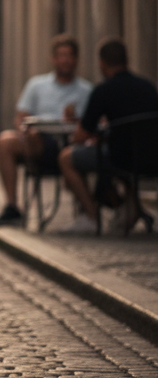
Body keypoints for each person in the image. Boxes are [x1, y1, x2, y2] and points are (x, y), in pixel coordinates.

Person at [57, 38, 158, 233]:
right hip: (152, 157)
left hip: (121, 159)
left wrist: (79, 125)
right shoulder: (148, 86)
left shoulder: (103, 90)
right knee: (122, 155)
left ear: (102, 63)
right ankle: (131, 207)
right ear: (127, 60)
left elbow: (81, 135)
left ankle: (91, 215)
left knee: (66, 158)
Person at [0, 34, 93, 227]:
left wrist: (77, 121)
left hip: (73, 142)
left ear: (76, 59)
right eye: (61, 55)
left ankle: (91, 209)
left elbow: (93, 123)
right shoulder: (37, 85)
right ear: (53, 58)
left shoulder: (86, 90)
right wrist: (25, 130)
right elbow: (21, 116)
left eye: (69, 55)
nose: (65, 60)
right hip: (40, 143)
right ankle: (12, 206)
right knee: (4, 141)